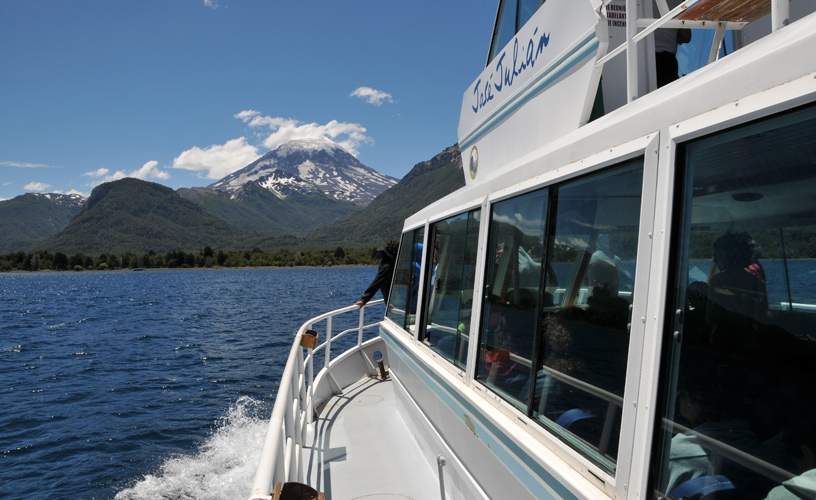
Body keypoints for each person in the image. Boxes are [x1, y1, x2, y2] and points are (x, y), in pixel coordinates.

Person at [654, 0, 692, 88]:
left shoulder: (638, 4)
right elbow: (686, 36)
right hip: (667, 59)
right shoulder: (679, 2)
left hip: (645, 57)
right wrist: (671, 36)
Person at [355, 239, 399, 308]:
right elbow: (377, 282)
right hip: (394, 304)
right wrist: (364, 299)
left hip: (392, 302)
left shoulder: (383, 261)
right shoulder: (388, 265)